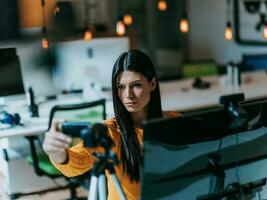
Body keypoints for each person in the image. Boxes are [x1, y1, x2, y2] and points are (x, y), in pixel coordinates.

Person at [42, 49, 181, 200]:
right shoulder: (110, 131)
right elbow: (77, 161)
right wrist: (57, 153)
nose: (128, 95)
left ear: (152, 84)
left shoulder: (176, 122)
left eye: (136, 85)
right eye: (121, 87)